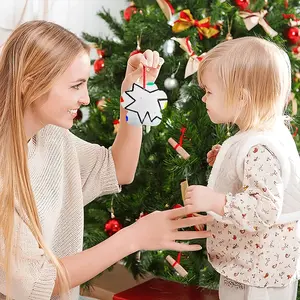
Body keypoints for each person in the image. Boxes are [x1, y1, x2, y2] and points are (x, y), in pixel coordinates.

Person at [0, 20, 213, 300]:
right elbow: (38, 281)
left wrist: (132, 94)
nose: (86, 99)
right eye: (76, 86)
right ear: (30, 84)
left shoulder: (51, 138)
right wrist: (134, 237)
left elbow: (119, 169)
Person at [183, 36, 300, 300]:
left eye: (209, 91)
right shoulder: (264, 133)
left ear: (241, 98)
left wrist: (215, 201)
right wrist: (224, 158)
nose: (203, 98)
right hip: (257, 267)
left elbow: (264, 210)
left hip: (258, 275)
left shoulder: (260, 148)